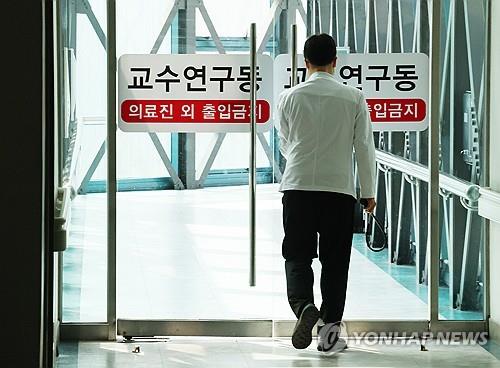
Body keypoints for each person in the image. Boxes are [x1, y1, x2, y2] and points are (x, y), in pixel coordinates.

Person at [276, 33, 377, 352]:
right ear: (336, 62)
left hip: (298, 186)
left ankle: (303, 306)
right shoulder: (353, 97)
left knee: (296, 254)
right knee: (335, 263)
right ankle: (330, 337)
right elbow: (364, 148)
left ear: (305, 63)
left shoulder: (289, 97)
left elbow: (286, 143)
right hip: (338, 190)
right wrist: (368, 193)